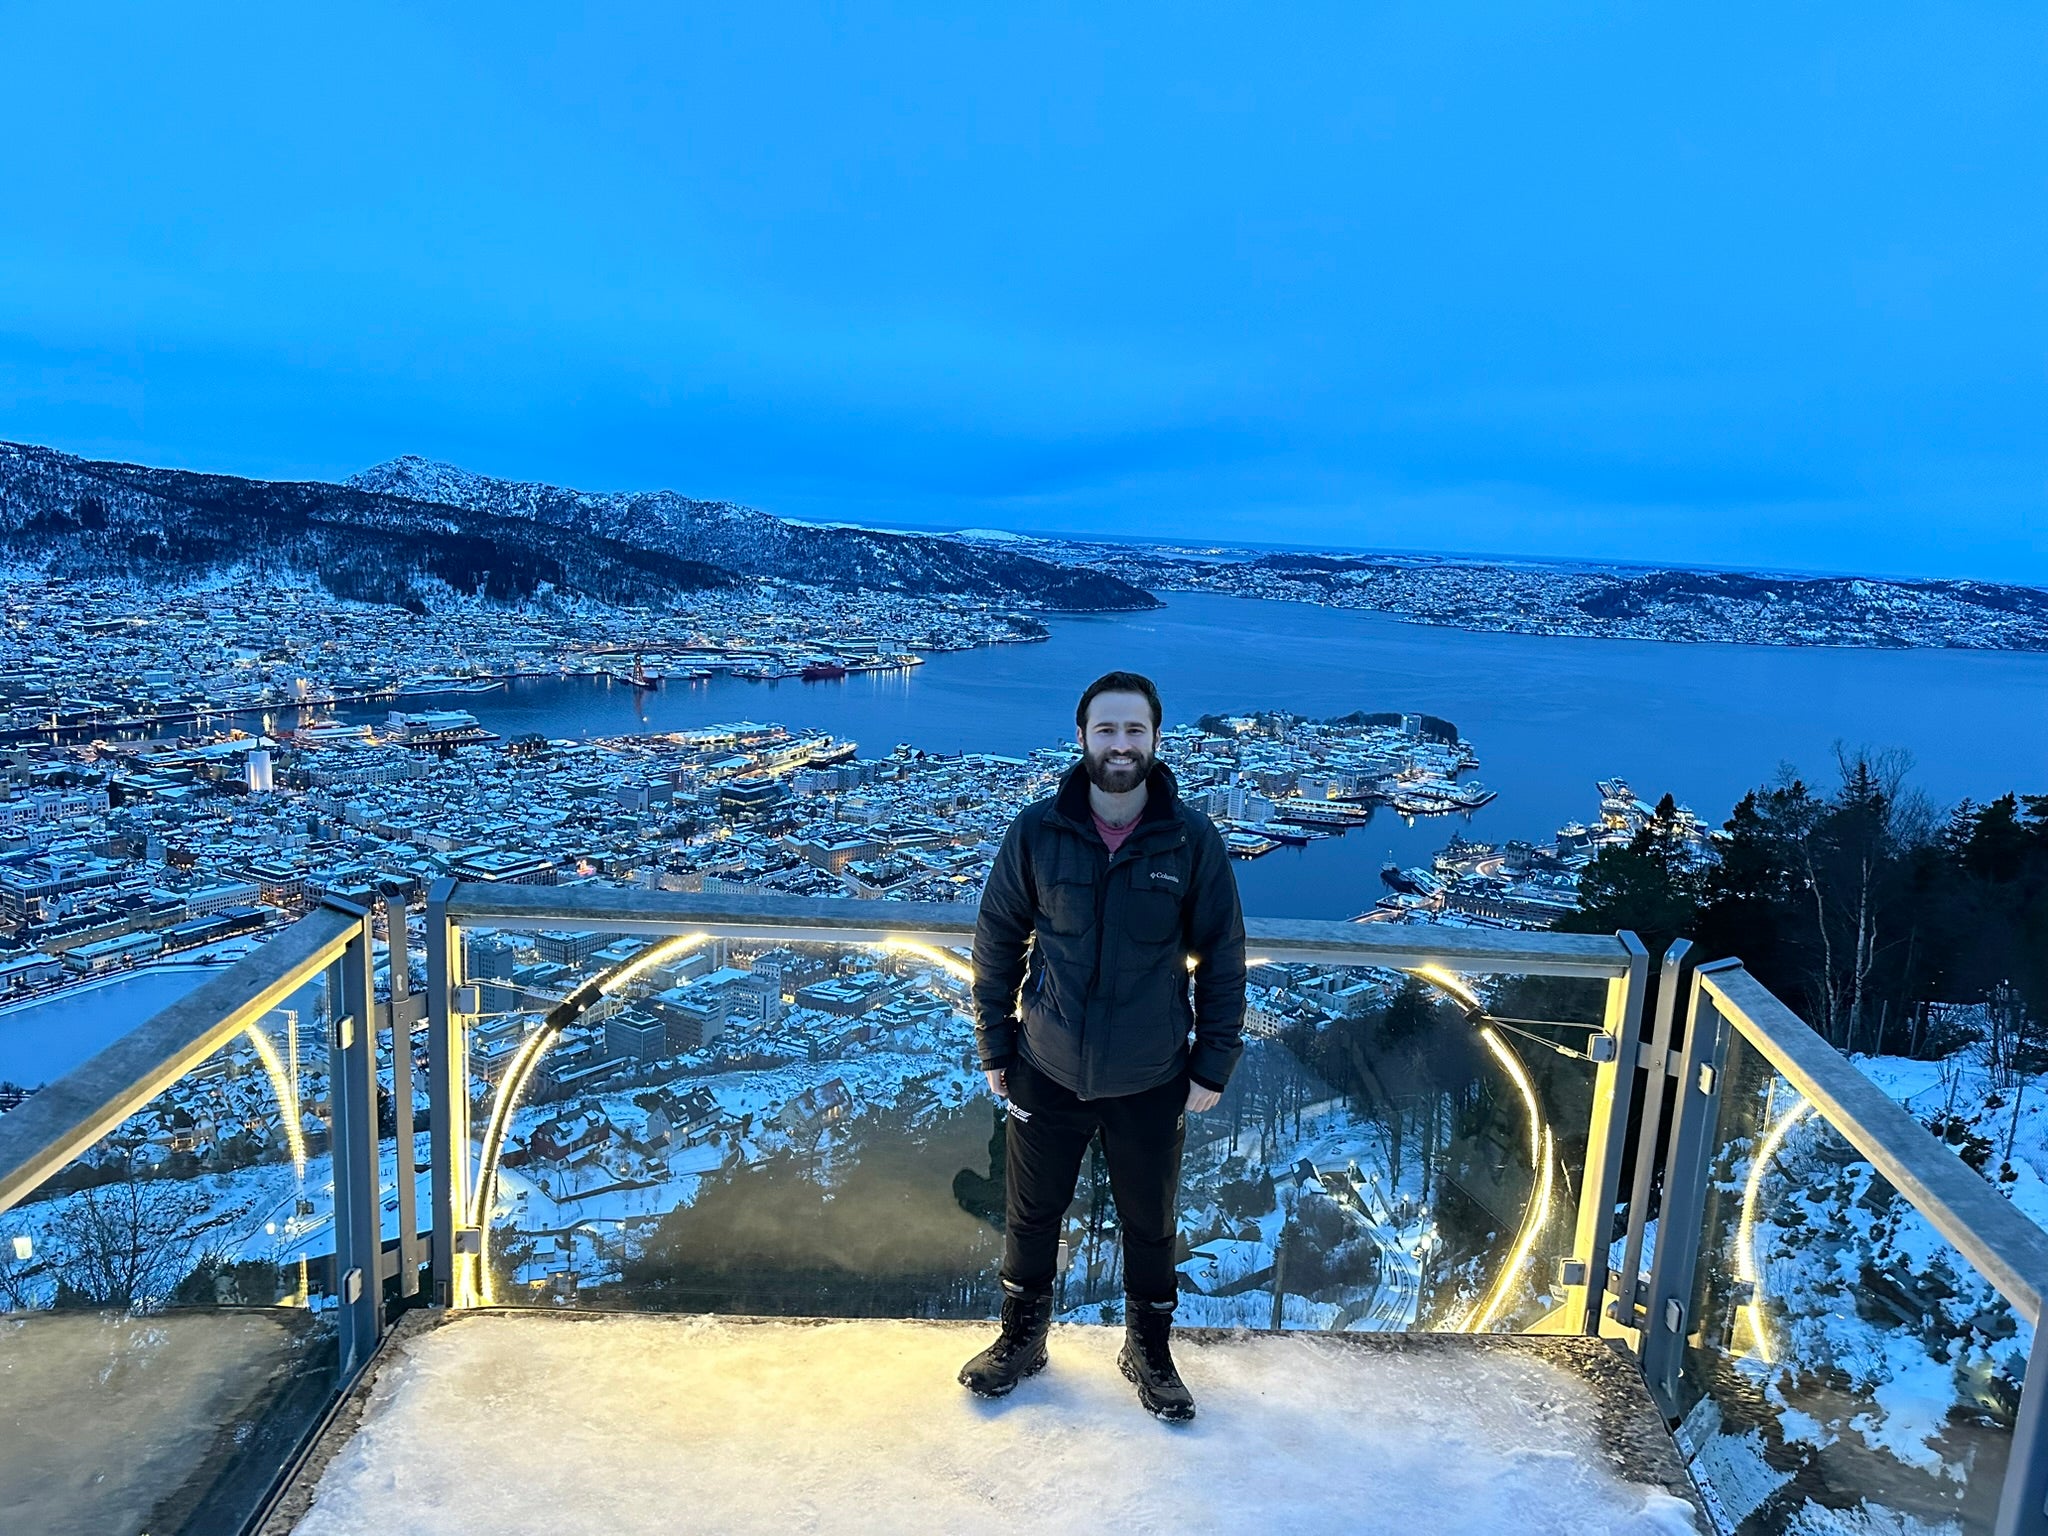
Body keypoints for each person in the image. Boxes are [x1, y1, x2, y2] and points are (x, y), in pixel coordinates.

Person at [959, 669, 1246, 1421]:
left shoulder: (1192, 839)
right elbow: (998, 940)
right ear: (1082, 736)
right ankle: (1021, 1338)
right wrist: (997, 1048)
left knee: (1150, 1223)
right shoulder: (1036, 831)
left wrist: (1213, 1061)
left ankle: (1148, 1349)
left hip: (1152, 1072)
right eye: (1107, 730)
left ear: (1155, 739)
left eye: (1134, 731)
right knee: (1030, 1215)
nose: (1121, 745)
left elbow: (1223, 954)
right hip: (1046, 1065)